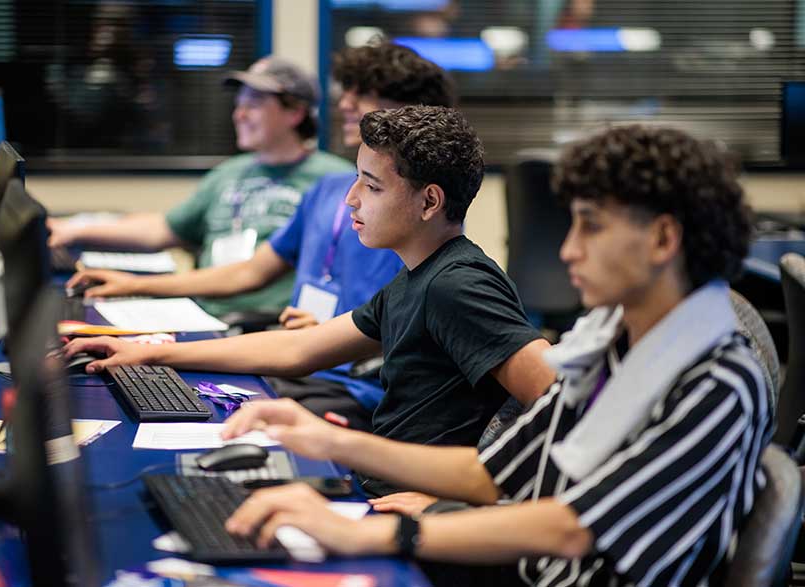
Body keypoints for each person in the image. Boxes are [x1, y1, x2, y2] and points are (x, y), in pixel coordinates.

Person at [217, 125, 771, 587]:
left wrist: (383, 532)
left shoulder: (719, 382)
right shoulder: (610, 339)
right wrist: (329, 441)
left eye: (591, 226)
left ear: (663, 240)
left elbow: (572, 529)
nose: (568, 249)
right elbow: (497, 473)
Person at [64, 106, 554, 496]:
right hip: (380, 483)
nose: (351, 199)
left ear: (429, 202)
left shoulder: (459, 285)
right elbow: (299, 350)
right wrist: (153, 352)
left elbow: (559, 404)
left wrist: (459, 502)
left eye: (372, 185)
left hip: (414, 505)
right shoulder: (418, 277)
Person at [64, 43, 458, 432]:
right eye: (347, 92)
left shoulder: (413, 212)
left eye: (365, 94)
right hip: (303, 361)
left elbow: (412, 327)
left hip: (351, 382)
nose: (346, 104)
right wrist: (140, 301)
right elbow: (252, 273)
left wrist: (333, 330)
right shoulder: (328, 189)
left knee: (228, 428)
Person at [47, 56, 353, 318]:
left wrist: (135, 284)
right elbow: (162, 229)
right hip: (200, 311)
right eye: (238, 104)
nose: (239, 114)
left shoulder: (333, 181)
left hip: (263, 323)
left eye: (254, 104)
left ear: (295, 112)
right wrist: (74, 228)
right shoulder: (228, 173)